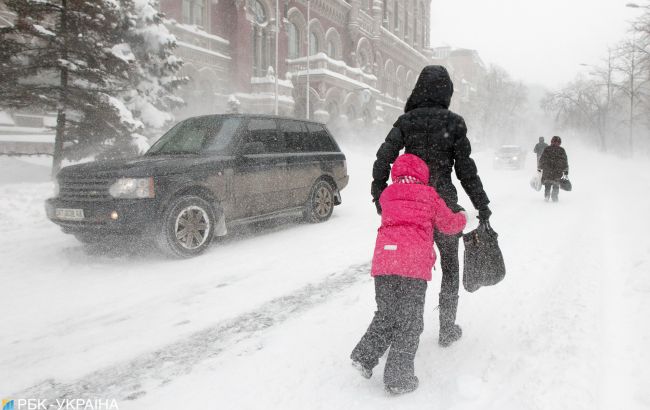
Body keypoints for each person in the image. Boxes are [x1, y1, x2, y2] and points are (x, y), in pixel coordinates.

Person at [371, 65, 491, 348]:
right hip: (444, 204)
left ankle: (397, 326)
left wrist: (379, 193)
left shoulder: (407, 121)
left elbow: (383, 157)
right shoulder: (454, 123)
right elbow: (466, 170)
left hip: (413, 205)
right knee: (450, 267)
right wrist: (481, 204)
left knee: (404, 264)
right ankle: (447, 328)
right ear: (447, 91)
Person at [351, 153, 467, 395]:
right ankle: (398, 377)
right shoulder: (429, 195)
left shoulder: (387, 195)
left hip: (384, 264)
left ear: (397, 173)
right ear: (422, 175)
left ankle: (364, 356)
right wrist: (463, 218)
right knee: (409, 322)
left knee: (387, 314)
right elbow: (448, 225)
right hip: (412, 267)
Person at [538, 136, 569, 202]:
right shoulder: (561, 150)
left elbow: (542, 159)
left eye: (557, 142)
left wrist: (540, 167)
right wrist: (566, 170)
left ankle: (547, 196)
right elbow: (565, 161)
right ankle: (554, 197)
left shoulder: (547, 149)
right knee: (556, 185)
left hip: (548, 171)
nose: (556, 143)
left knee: (548, 185)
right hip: (557, 172)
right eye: (556, 142)